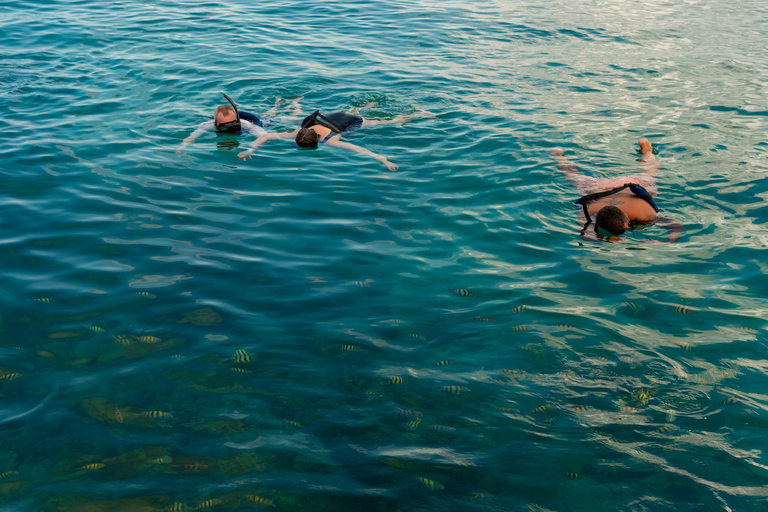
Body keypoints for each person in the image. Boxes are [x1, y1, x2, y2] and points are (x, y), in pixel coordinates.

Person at [550, 138, 682, 243]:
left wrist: (610, 239)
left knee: (572, 176)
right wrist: (666, 243)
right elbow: (676, 225)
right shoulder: (645, 217)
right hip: (606, 188)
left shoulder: (586, 213)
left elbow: (587, 237)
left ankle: (558, 156)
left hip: (607, 188)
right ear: (626, 219)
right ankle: (647, 151)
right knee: (651, 171)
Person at [237, 102, 428, 171]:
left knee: (388, 122)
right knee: (354, 111)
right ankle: (368, 104)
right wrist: (249, 149)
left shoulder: (332, 141)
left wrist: (384, 160)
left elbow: (361, 149)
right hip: (333, 116)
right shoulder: (300, 132)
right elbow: (266, 137)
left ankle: (419, 115)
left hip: (352, 121)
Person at [176, 94, 302, 154]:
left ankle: (295, 103)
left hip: (257, 121)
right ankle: (277, 105)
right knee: (270, 114)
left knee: (295, 119)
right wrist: (182, 147)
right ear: (216, 123)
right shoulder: (208, 125)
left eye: (232, 124)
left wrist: (250, 150)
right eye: (224, 126)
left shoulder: (245, 124)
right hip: (252, 120)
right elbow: (191, 137)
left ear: (237, 120)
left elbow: (264, 136)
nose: (230, 128)